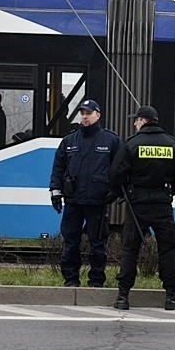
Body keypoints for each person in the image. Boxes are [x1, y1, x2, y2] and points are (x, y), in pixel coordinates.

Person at [110, 105, 175, 310]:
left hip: (137, 205)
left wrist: (126, 194)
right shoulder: (171, 144)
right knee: (167, 249)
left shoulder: (132, 144)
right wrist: (168, 193)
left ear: (143, 121)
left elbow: (115, 176)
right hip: (162, 205)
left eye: (136, 120)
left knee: (130, 250)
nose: (135, 124)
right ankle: (171, 297)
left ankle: (123, 297)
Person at [49, 99, 121, 288]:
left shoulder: (111, 140)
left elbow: (120, 169)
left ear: (98, 115)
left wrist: (115, 190)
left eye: (88, 113)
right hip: (73, 200)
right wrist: (55, 191)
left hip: (97, 201)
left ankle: (96, 281)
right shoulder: (69, 140)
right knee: (70, 242)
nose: (84, 117)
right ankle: (70, 280)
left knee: (97, 244)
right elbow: (58, 167)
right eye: (82, 113)